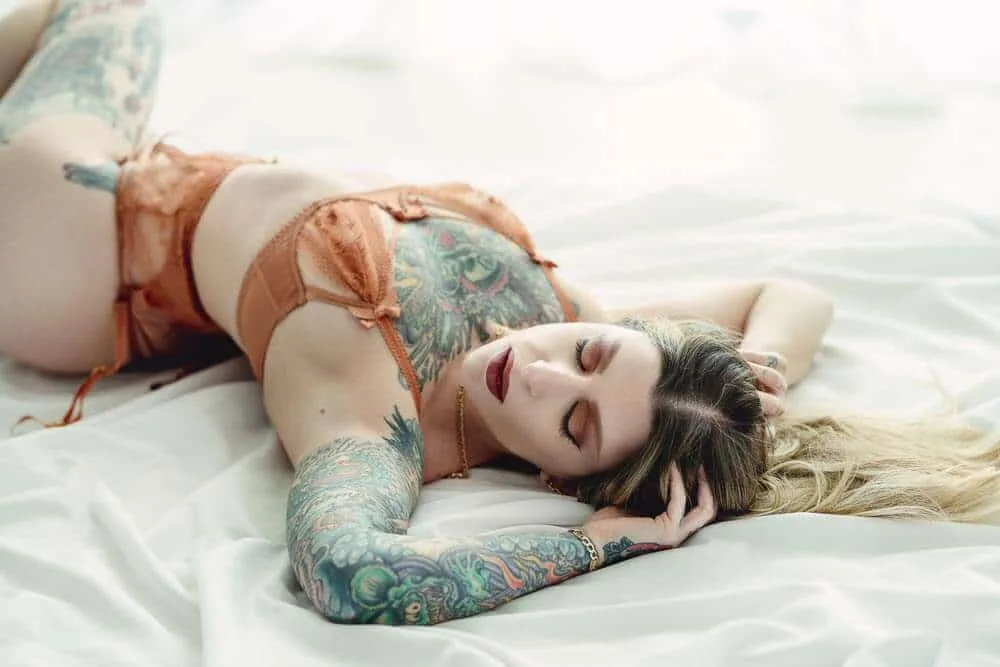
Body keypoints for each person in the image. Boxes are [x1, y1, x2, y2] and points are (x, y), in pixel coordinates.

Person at [2, 0, 998, 627]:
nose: (545, 372)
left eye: (575, 422)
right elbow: (793, 294)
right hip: (131, 176)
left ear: (566, 475)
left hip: (60, 251)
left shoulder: (372, 407)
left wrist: (603, 543)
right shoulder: (568, 313)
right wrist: (763, 363)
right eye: (591, 355)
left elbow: (349, 572)